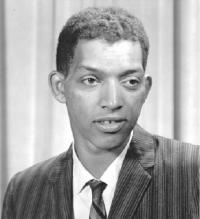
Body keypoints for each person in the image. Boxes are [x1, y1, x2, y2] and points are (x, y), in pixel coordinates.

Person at [1, 7, 199, 219]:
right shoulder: (23, 191)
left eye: (130, 81)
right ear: (60, 87)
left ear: (145, 89)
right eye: (91, 80)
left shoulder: (193, 172)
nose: (112, 102)